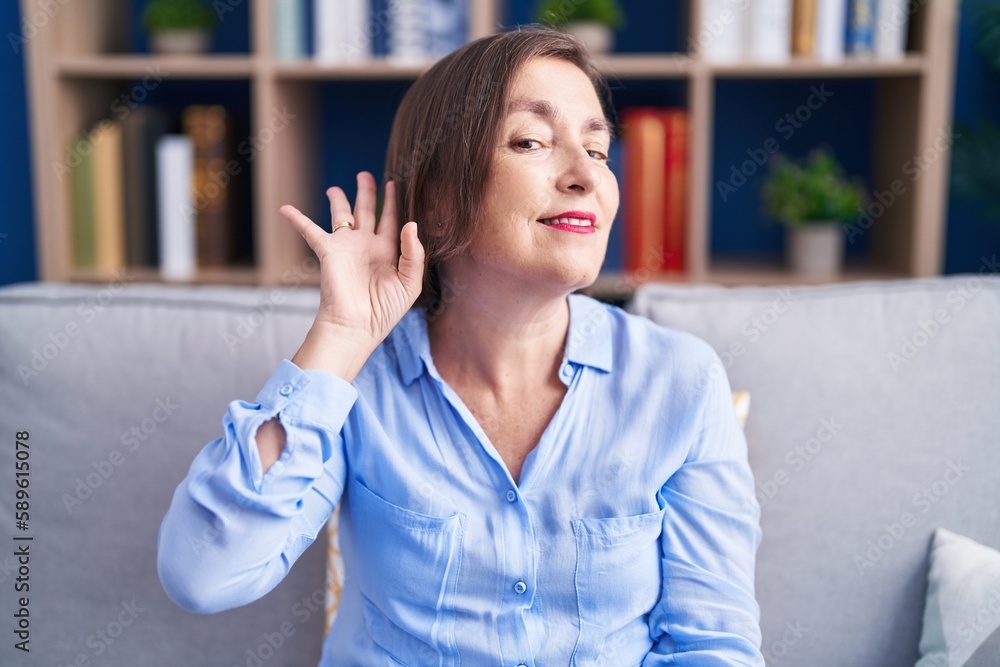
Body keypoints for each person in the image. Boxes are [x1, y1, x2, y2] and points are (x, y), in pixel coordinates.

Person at [157, 26, 764, 666]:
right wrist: (340, 337)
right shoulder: (359, 384)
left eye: (599, 148)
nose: (586, 175)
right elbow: (203, 573)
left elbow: (713, 646)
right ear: (440, 202)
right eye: (532, 141)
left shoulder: (681, 380)